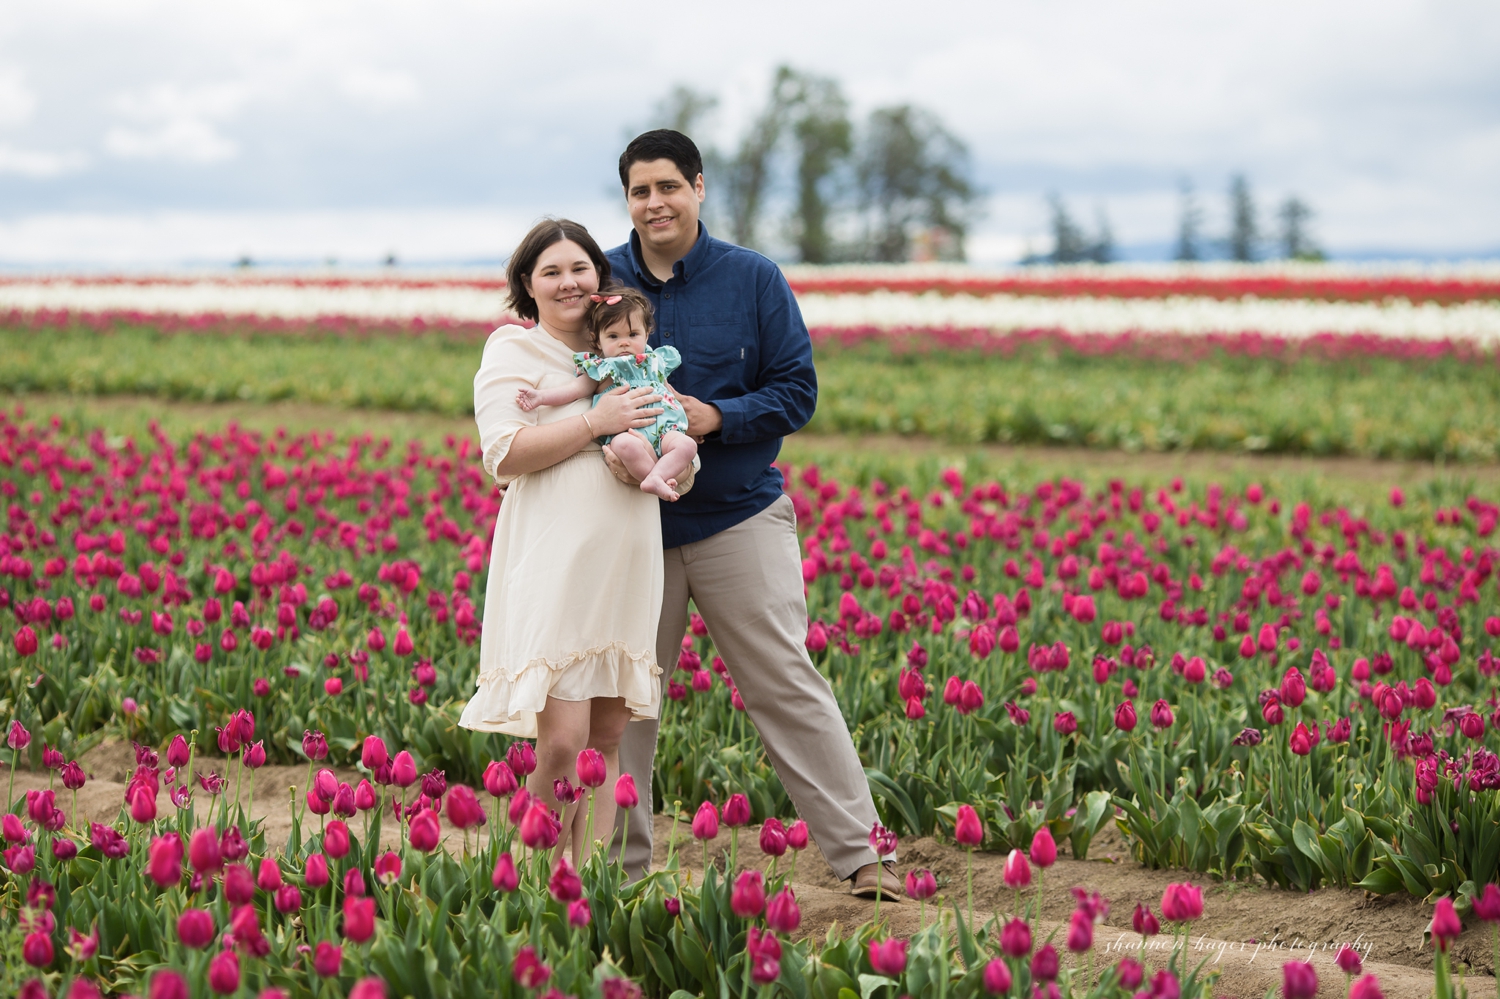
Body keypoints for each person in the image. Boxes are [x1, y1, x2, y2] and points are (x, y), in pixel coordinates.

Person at [606, 129, 900, 900]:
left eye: (668, 185)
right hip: (634, 525)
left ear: (698, 187)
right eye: (640, 190)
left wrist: (714, 417)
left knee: (784, 680)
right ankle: (617, 874)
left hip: (740, 513)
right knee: (628, 696)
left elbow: (796, 391)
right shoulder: (600, 279)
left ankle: (864, 856)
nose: (655, 202)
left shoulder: (753, 279)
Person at [459, 218, 667, 864]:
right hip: (554, 562)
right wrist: (594, 421)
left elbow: (666, 426)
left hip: (627, 556)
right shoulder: (513, 351)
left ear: (599, 278)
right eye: (550, 271)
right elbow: (506, 454)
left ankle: (589, 888)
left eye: (579, 268)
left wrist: (675, 460)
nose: (567, 281)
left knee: (606, 737)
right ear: (528, 284)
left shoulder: (624, 349)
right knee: (562, 739)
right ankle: (536, 877)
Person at [517, 287, 698, 502]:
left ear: (647, 333)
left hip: (664, 429)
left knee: (687, 445)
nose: (624, 342)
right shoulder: (603, 368)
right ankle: (652, 477)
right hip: (627, 433)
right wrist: (541, 397)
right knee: (624, 447)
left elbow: (668, 391)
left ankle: (657, 475)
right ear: (597, 339)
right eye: (613, 336)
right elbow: (573, 391)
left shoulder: (655, 361)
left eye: (633, 334)